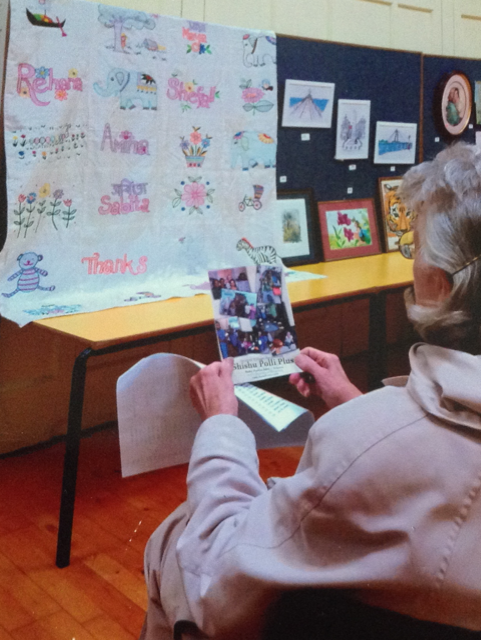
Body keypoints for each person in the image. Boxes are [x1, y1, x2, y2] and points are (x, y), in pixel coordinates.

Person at [141, 143, 481, 640]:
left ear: (439, 282)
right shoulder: (372, 434)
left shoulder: (356, 445)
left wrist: (220, 426)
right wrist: (360, 405)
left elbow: (220, 574)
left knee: (172, 537)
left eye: (415, 247)